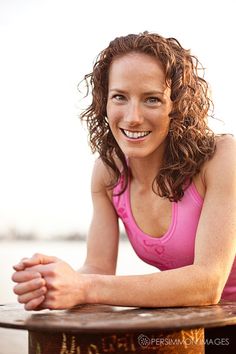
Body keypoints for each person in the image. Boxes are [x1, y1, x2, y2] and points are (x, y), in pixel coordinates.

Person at [12, 32, 236, 312]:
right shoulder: (108, 173)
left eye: (152, 99)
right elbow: (98, 268)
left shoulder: (221, 157)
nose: (133, 117)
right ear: (103, 102)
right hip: (194, 326)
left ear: (177, 104)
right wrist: (54, 282)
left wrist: (85, 287)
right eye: (119, 97)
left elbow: (208, 283)